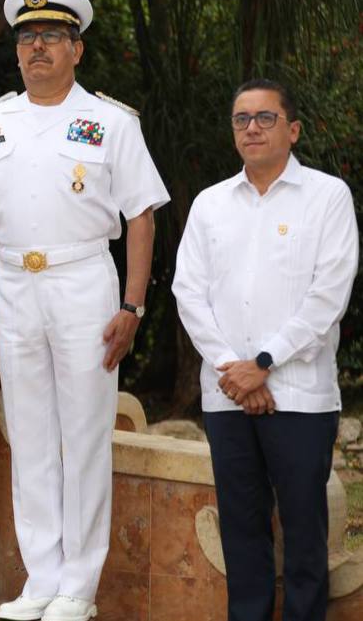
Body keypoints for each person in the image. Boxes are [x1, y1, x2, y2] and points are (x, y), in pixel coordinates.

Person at [0, 0, 169, 621]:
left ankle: (81, 582)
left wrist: (132, 307)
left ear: (76, 48)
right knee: (30, 435)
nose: (36, 47)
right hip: (15, 287)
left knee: (84, 433)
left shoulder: (110, 122)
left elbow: (142, 217)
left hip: (83, 284)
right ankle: (41, 576)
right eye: (26, 38)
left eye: (50, 37)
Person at [172, 79, 357, 621]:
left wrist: (264, 364)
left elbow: (328, 296)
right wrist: (236, 370)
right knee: (242, 528)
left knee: (304, 531)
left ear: (292, 129)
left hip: (299, 396)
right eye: (241, 119)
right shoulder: (211, 204)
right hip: (227, 393)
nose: (251, 127)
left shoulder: (327, 196)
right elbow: (188, 291)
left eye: (265, 118)